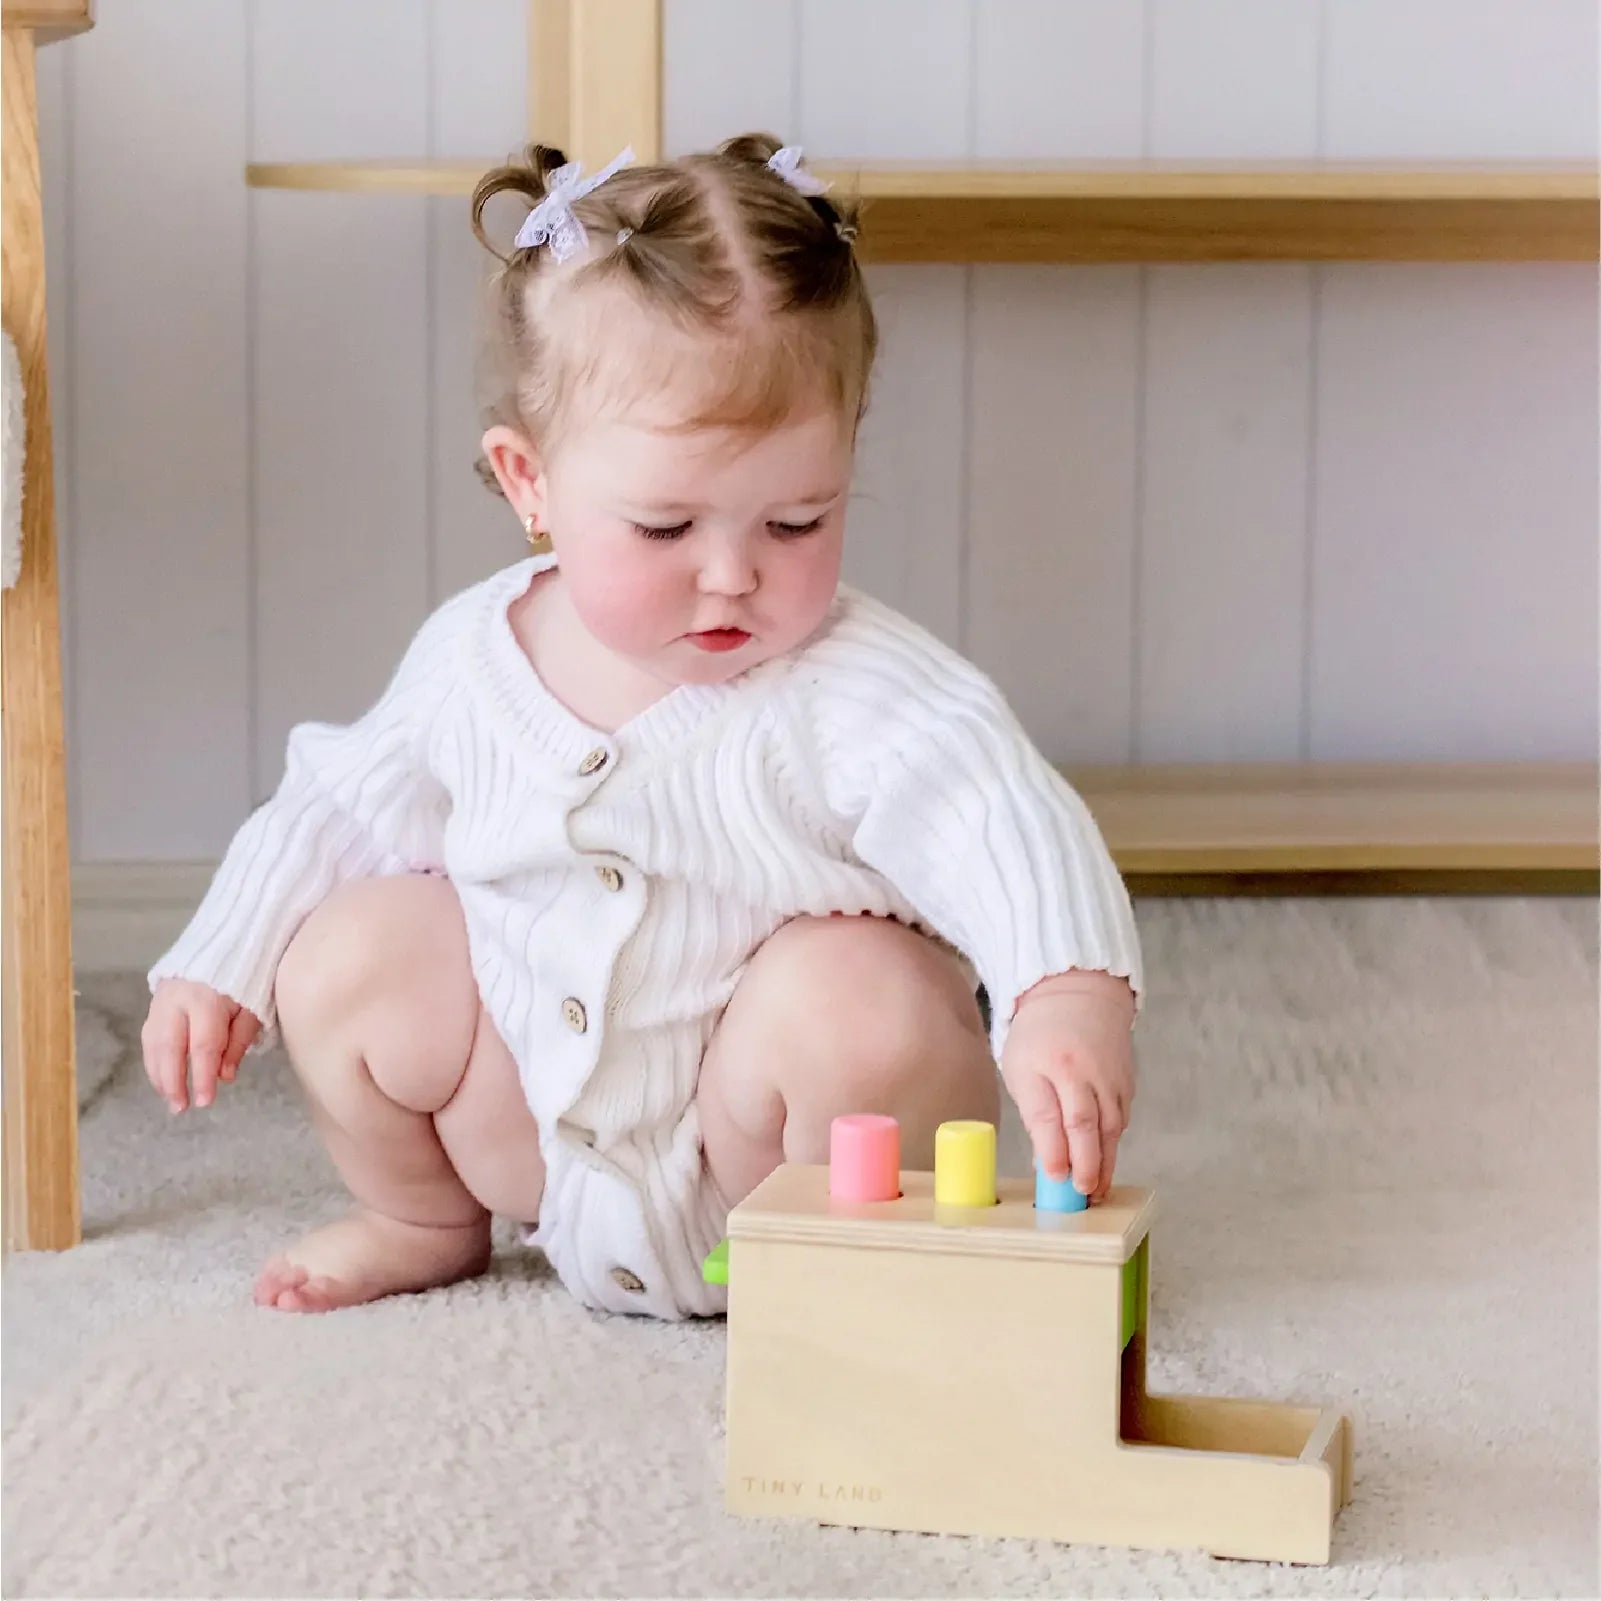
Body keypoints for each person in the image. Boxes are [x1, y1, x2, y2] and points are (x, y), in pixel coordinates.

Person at [141, 134, 1143, 1319]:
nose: (731, 577)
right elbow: (338, 801)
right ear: (531, 484)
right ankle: (422, 1214)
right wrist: (221, 957)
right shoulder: (476, 660)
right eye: (664, 529)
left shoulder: (856, 685)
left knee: (862, 995)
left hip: (773, 1158)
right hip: (545, 1146)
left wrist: (1065, 997)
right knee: (349, 948)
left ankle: (847, 1278)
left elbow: (1002, 816)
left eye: (796, 520)